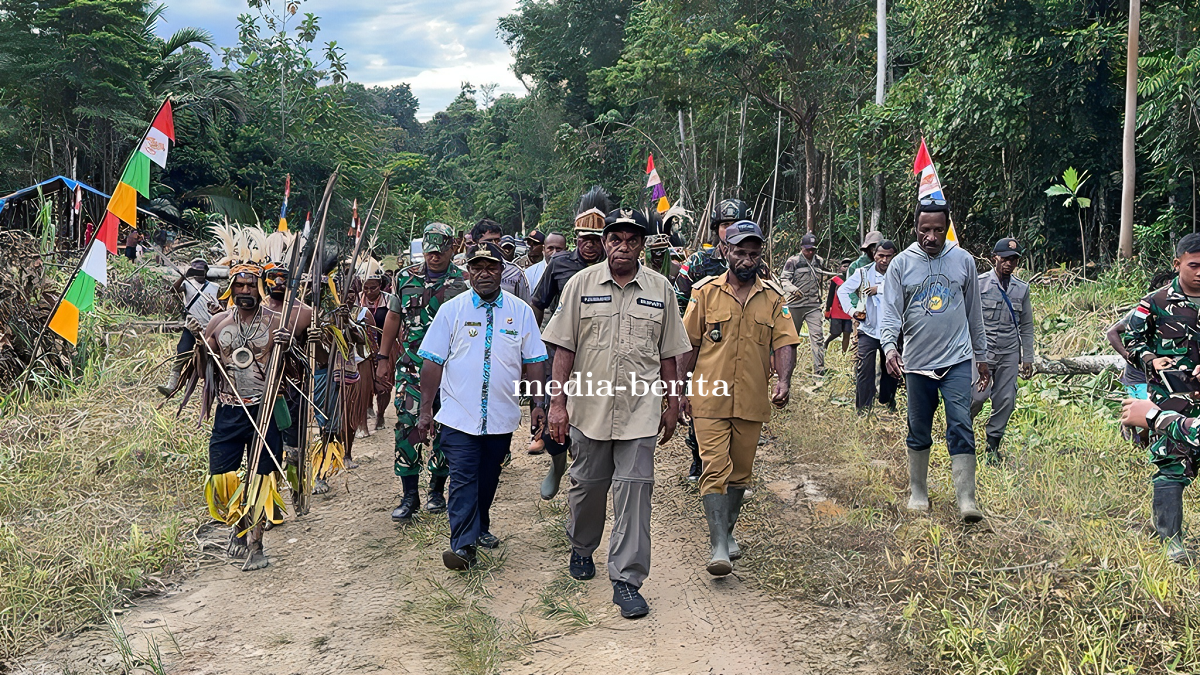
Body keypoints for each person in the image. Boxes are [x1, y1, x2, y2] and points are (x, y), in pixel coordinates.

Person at [542, 207, 691, 618]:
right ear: (605, 243)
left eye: (632, 240)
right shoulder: (579, 285)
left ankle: (626, 579)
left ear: (642, 245)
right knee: (588, 487)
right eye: (615, 240)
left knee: (635, 491)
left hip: (640, 409)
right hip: (588, 408)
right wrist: (557, 403)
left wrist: (673, 401)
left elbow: (669, 354)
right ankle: (582, 546)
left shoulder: (661, 289)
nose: (623, 247)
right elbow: (564, 349)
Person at [415, 242, 548, 569]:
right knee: (463, 478)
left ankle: (480, 526)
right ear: (469, 272)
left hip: (501, 417)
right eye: (477, 268)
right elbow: (432, 362)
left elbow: (534, 361)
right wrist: (425, 410)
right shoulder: (452, 310)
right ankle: (462, 546)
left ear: (502, 271)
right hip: (459, 416)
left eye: (491, 267)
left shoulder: (521, 312)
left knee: (487, 479)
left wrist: (537, 403)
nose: (484, 274)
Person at [677, 220, 799, 575]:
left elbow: (785, 341)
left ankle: (727, 533)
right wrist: (681, 389)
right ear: (725, 251)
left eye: (754, 254)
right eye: (740, 252)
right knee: (715, 467)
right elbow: (689, 344)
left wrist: (784, 381)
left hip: (751, 397)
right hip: (708, 396)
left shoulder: (773, 298)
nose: (747, 260)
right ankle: (718, 546)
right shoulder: (704, 292)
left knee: (740, 473)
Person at [195, 227, 298, 570]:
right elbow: (201, 369)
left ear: (260, 288)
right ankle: (236, 525)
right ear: (231, 288)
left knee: (260, 477)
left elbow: (299, 367)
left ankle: (256, 545)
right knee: (222, 478)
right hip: (229, 409)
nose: (244, 292)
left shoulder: (276, 323)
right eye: (238, 286)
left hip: (266, 409)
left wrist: (291, 346)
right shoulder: (216, 324)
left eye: (250, 286)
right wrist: (202, 350)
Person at [881, 199, 989, 522]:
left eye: (938, 230)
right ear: (915, 227)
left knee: (961, 426)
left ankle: (967, 500)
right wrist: (889, 348)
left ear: (947, 228)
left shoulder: (964, 261)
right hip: (916, 364)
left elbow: (975, 313)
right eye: (925, 229)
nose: (931, 236)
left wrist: (981, 358)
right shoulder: (901, 265)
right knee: (918, 429)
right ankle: (918, 491)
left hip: (956, 361)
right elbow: (890, 312)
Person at [377, 223, 470, 521]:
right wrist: (382, 358)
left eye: (441, 251)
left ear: (452, 248)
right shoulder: (404, 278)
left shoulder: (463, 282)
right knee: (407, 428)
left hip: (451, 371)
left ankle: (437, 491)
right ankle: (409, 495)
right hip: (411, 368)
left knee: (445, 429)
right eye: (430, 252)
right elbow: (393, 317)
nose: (434, 257)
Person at [1121, 234, 1200, 562]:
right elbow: (1130, 338)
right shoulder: (1154, 302)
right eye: (1194, 265)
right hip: (1170, 396)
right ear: (1177, 263)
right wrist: (1150, 359)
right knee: (1171, 466)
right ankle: (1172, 542)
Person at [528, 188, 608, 491]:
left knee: (591, 419)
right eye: (584, 239)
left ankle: (583, 474)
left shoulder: (612, 267)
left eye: (596, 240)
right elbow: (538, 302)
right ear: (576, 239)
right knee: (553, 414)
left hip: (599, 356)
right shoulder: (560, 264)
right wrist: (533, 346)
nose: (590, 246)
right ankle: (557, 466)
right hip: (560, 352)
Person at [676, 198, 752, 482]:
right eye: (724, 225)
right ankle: (699, 459)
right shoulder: (698, 262)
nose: (729, 230)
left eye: (735, 224)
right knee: (702, 405)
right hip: (703, 349)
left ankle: (735, 469)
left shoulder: (754, 262)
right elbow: (678, 303)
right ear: (716, 229)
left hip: (741, 350)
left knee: (739, 410)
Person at [970, 238, 1035, 464]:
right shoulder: (978, 284)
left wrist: (1027, 357)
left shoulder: (1022, 288)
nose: (1009, 263)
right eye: (1005, 258)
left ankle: (992, 446)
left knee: (1006, 399)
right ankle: (959, 429)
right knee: (978, 395)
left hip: (1009, 351)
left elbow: (1026, 325)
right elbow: (966, 318)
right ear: (994, 258)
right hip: (982, 350)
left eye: (1014, 259)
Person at [838, 240, 899, 413]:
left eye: (889, 256)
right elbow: (843, 290)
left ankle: (888, 400)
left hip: (892, 329)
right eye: (881, 256)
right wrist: (852, 311)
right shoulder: (863, 272)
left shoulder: (899, 273)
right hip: (869, 328)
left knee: (891, 370)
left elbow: (902, 289)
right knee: (865, 368)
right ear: (874, 255)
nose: (884, 260)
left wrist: (878, 289)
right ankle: (863, 410)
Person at [158, 258, 221, 396]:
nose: (199, 273)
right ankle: (172, 385)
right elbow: (173, 291)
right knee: (181, 352)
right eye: (195, 270)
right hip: (191, 326)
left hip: (209, 327)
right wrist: (183, 276)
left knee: (213, 358)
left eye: (201, 270)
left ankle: (215, 388)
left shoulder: (215, 287)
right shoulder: (187, 284)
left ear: (206, 271)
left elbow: (222, 307)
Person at [780, 232, 834, 377]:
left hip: (813, 306)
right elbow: (784, 280)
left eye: (812, 249)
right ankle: (788, 370)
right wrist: (793, 289)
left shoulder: (819, 261)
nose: (810, 252)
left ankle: (819, 371)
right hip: (795, 305)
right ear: (802, 248)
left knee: (818, 337)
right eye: (807, 249)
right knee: (791, 339)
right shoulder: (793, 261)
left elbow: (822, 277)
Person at [471, 220, 532, 304]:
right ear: (476, 242)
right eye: (489, 241)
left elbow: (525, 306)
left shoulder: (514, 272)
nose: (494, 245)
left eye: (497, 241)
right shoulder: (467, 272)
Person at [844, 230, 883, 310]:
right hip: (863, 308)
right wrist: (858, 307)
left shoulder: (888, 265)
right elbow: (850, 291)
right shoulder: (855, 267)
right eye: (873, 248)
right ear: (868, 249)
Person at [824, 258, 853, 353]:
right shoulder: (836, 280)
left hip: (849, 310)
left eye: (849, 266)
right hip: (837, 311)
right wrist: (827, 310)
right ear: (840, 268)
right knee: (836, 333)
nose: (847, 268)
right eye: (844, 266)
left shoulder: (854, 279)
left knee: (847, 333)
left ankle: (843, 354)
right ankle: (826, 342)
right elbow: (830, 296)